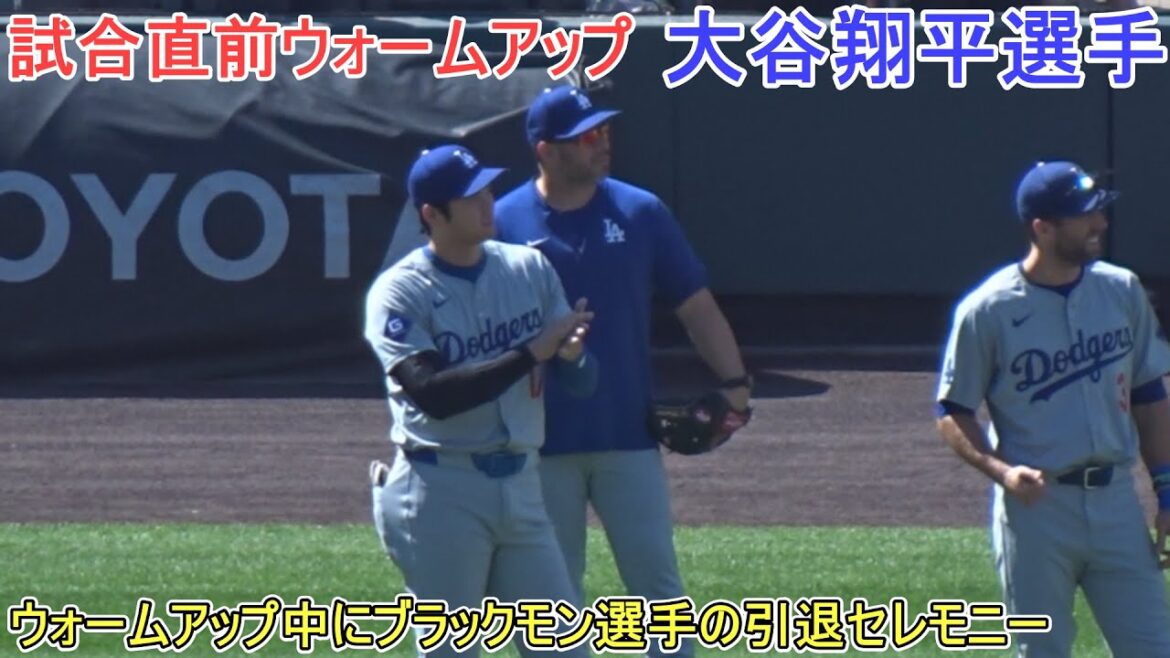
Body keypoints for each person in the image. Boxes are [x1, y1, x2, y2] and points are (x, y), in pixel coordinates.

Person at [494, 86, 752, 658]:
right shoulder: (504, 221)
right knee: (545, 607)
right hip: (537, 444)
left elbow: (696, 305)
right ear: (546, 150)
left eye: (604, 132)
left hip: (626, 437)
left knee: (660, 597)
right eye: (587, 136)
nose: (602, 143)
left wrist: (736, 383)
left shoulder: (639, 211)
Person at [364, 144, 598, 658]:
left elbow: (581, 382)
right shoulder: (399, 293)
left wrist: (572, 356)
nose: (487, 202)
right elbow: (433, 394)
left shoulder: (528, 268)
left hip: (521, 486)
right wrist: (532, 351)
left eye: (488, 189)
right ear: (431, 213)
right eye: (470, 196)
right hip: (440, 489)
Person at [935, 160, 1170, 657]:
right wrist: (1001, 472)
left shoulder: (1121, 290)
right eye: (1084, 217)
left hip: (1116, 505)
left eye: (1099, 213)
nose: (1100, 224)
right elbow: (953, 412)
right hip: (1036, 512)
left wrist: (1167, 491)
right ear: (1042, 227)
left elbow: (1149, 395)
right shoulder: (988, 310)